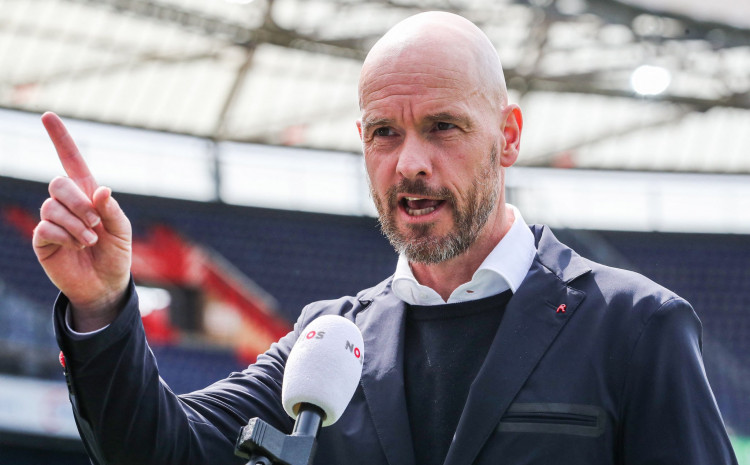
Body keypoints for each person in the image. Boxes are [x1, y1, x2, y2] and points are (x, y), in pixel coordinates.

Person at [34, 11, 737, 465]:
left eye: (442, 126)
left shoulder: (635, 327)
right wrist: (102, 306)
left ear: (509, 136)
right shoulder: (327, 343)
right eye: (384, 133)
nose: (410, 163)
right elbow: (159, 451)